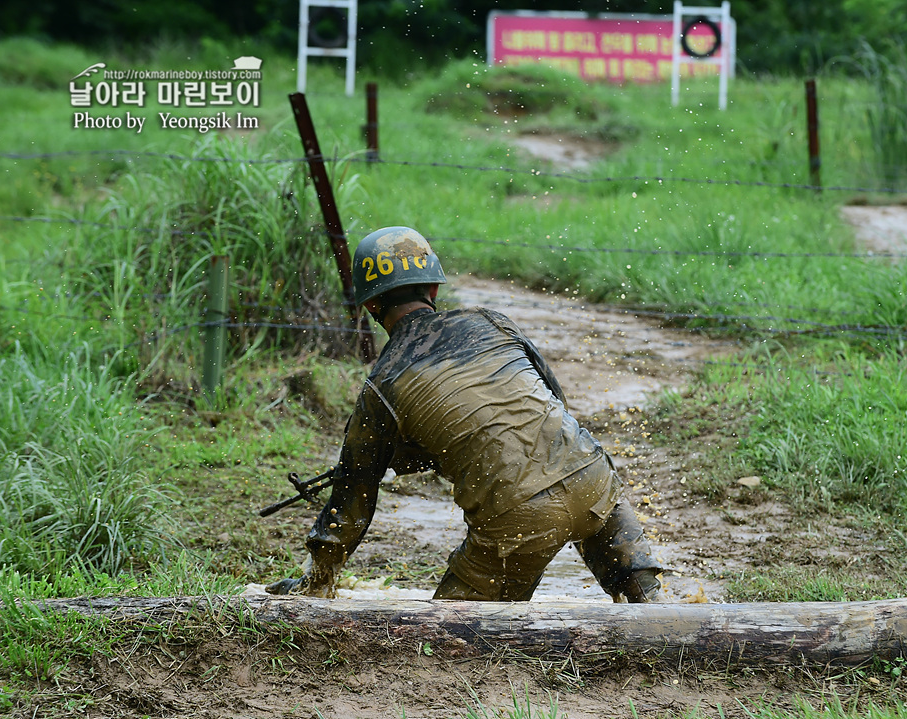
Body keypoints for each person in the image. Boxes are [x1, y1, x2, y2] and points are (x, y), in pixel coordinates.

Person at [266, 226, 663, 602]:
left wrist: (315, 583)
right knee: (652, 606)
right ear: (435, 286)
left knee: (448, 643)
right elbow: (553, 404)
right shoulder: (491, 322)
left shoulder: (383, 383)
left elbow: (351, 500)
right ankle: (657, 605)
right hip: (593, 477)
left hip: (517, 518)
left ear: (370, 304)